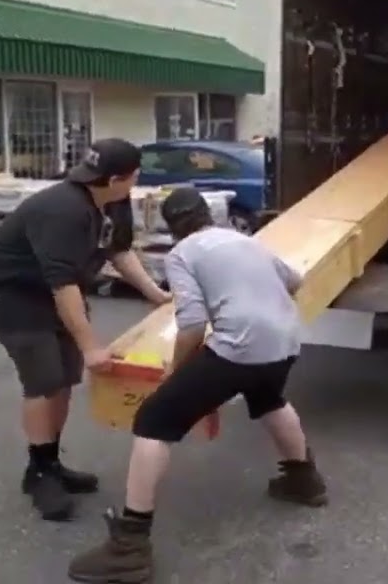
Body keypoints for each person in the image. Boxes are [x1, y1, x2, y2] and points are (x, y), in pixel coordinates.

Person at [67, 186, 326, 584]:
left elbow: (191, 324)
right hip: (285, 342)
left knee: (153, 420)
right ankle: (304, 481)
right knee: (269, 397)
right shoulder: (245, 241)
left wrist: (175, 372)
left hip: (238, 347)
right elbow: (294, 281)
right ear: (208, 214)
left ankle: (130, 547)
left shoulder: (183, 254)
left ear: (172, 227)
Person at [0, 138, 171, 521]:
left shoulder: (113, 201)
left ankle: (50, 461)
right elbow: (62, 283)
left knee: (64, 376)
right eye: (134, 176)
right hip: (13, 293)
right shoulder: (63, 210)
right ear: (116, 179)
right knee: (43, 380)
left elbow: (118, 250)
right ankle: (38, 474)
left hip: (55, 289)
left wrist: (155, 294)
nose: (135, 181)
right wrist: (92, 347)